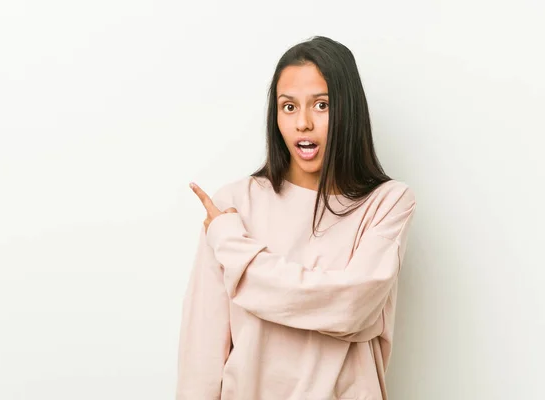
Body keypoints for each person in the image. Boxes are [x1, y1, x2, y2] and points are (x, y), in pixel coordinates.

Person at [176, 35, 417, 400]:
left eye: (321, 105)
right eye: (288, 107)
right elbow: (202, 349)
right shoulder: (235, 203)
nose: (303, 123)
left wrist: (234, 249)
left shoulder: (387, 202)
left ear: (348, 110)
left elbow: (349, 307)